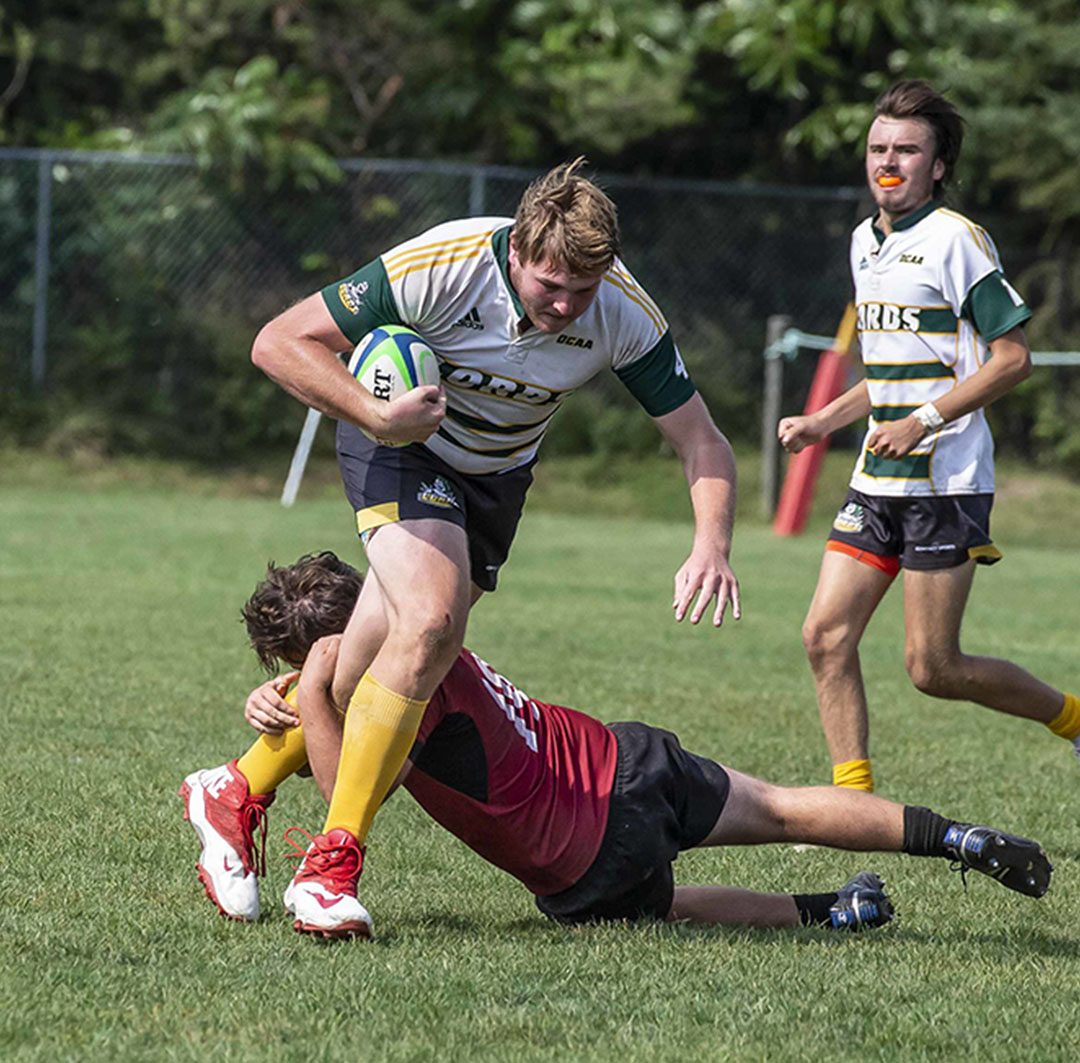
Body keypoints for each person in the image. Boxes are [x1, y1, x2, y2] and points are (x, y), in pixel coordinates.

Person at [247, 159, 742, 932]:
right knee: (434, 623)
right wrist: (374, 416)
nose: (569, 304)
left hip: (494, 484)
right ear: (517, 251)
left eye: (584, 288)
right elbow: (279, 341)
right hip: (402, 445)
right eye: (552, 285)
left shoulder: (619, 310)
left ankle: (235, 786)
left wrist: (710, 544)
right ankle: (330, 866)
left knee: (372, 669)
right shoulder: (441, 265)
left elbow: (702, 441)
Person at [180, 553, 1051, 939]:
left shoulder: (381, 699)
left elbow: (347, 798)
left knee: (660, 906)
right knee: (785, 807)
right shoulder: (424, 632)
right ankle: (955, 838)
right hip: (622, 761)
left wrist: (318, 690)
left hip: (576, 859)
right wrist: (303, 691)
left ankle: (831, 912)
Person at [777, 80, 1080, 794]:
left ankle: (1072, 719)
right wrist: (825, 421)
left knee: (932, 668)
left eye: (907, 149)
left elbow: (1013, 359)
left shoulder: (956, 241)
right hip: (876, 482)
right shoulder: (864, 242)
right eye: (879, 147)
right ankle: (852, 806)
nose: (890, 160)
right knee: (824, 636)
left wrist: (925, 421)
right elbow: (891, 373)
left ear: (937, 166)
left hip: (945, 483)